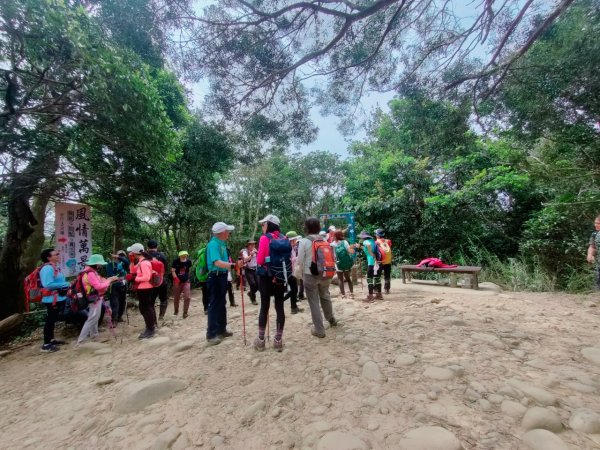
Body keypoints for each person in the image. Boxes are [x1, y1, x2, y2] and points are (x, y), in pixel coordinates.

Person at [297, 217, 338, 338]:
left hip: (310, 275)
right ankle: (331, 320)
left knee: (314, 301)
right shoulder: (324, 239)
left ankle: (319, 330)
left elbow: (299, 260)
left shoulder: (304, 241)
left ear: (307, 227)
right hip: (325, 273)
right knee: (325, 295)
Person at [253, 214, 287, 351]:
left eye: (263, 224)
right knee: (279, 307)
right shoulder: (284, 238)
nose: (262, 226)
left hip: (266, 278)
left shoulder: (264, 238)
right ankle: (278, 340)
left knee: (264, 307)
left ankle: (261, 341)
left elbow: (260, 260)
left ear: (269, 225)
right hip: (280, 277)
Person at [205, 222, 236, 345]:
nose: (229, 233)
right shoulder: (213, 244)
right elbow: (217, 262)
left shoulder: (221, 243)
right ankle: (211, 334)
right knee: (214, 304)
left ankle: (221, 329)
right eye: (227, 231)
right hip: (215, 276)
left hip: (222, 276)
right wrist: (233, 266)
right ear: (223, 232)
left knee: (222, 302)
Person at [77, 255, 119, 345]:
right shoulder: (91, 273)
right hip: (94, 299)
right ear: (96, 264)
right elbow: (98, 286)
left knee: (94, 318)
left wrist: (108, 280)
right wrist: (109, 281)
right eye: (100, 264)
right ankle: (81, 341)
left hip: (95, 297)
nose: (101, 266)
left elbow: (99, 282)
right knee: (92, 318)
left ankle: (95, 337)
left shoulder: (89, 271)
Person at [39, 248, 70, 352]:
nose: (58, 255)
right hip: (51, 299)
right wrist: (66, 284)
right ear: (48, 257)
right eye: (55, 254)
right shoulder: (47, 269)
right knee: (50, 320)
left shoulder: (54, 267)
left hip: (57, 298)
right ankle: (46, 344)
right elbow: (47, 284)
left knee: (53, 319)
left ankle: (51, 340)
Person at [127, 243, 156, 339]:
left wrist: (135, 279)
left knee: (146, 308)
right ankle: (150, 327)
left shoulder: (144, 263)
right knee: (144, 308)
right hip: (142, 288)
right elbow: (132, 271)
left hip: (145, 288)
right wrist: (131, 262)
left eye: (132, 253)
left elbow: (147, 277)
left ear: (135, 252)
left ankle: (150, 329)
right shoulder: (140, 262)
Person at [147, 239, 168, 321]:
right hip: (162, 280)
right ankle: (161, 317)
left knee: (151, 302)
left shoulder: (145, 256)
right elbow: (165, 268)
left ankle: (154, 320)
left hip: (149, 282)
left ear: (147, 247)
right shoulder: (162, 256)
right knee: (163, 299)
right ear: (157, 247)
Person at [106, 250, 129, 322]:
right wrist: (118, 278)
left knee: (122, 302)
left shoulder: (124, 264)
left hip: (123, 285)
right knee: (115, 303)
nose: (121, 257)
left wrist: (119, 257)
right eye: (120, 255)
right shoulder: (110, 264)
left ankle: (119, 316)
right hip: (114, 286)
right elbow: (110, 275)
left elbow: (127, 262)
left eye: (122, 256)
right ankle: (114, 318)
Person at [359, 230, 382, 302]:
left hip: (371, 263)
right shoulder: (372, 240)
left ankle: (370, 296)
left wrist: (371, 254)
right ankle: (379, 294)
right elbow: (367, 248)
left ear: (363, 237)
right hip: (378, 263)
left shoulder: (365, 242)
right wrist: (360, 247)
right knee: (377, 279)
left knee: (369, 279)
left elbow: (368, 246)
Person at [284, 231, 304, 314]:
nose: (296, 241)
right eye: (295, 239)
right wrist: (298, 258)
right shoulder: (287, 248)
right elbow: (289, 260)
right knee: (294, 289)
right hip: (288, 272)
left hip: (291, 271)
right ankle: (281, 300)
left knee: (294, 289)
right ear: (292, 240)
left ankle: (294, 307)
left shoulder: (291, 247)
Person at [331, 230, 355, 299]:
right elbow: (350, 251)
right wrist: (353, 249)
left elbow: (332, 254)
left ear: (335, 236)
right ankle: (351, 293)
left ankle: (343, 294)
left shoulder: (332, 244)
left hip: (337, 263)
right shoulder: (344, 242)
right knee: (348, 278)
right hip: (345, 262)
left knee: (340, 279)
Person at [171, 250, 192, 318]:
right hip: (177, 281)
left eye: (185, 255)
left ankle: (185, 313)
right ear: (179, 256)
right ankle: (176, 310)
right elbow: (173, 270)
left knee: (187, 297)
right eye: (182, 256)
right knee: (176, 297)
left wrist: (188, 278)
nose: (184, 256)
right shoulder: (175, 261)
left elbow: (189, 270)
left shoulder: (188, 262)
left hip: (186, 281)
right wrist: (175, 278)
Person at [375, 228, 393, 294]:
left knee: (377, 275)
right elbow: (389, 248)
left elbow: (375, 251)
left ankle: (376, 289)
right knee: (387, 276)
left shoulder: (376, 242)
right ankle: (387, 289)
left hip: (380, 261)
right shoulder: (388, 241)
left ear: (377, 235)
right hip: (388, 261)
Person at [241, 239, 259, 305]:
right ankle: (253, 299)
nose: (253, 245)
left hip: (255, 269)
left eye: (254, 244)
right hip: (248, 270)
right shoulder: (245, 251)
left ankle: (250, 293)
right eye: (251, 244)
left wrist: (257, 253)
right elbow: (245, 259)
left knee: (258, 285)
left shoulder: (255, 250)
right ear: (248, 245)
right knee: (252, 284)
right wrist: (251, 255)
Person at [587, 215, 600, 290]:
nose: (596, 225)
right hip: (598, 265)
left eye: (598, 223)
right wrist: (590, 255)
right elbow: (592, 246)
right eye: (595, 223)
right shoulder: (595, 235)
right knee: (597, 287)